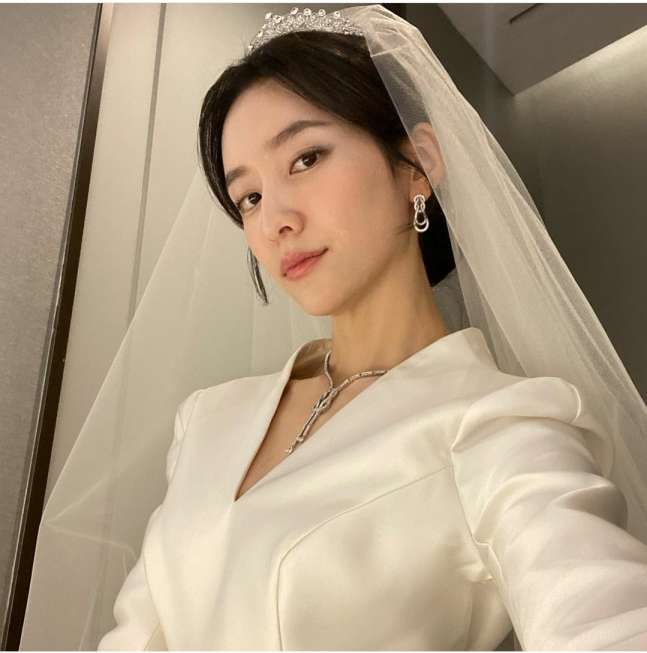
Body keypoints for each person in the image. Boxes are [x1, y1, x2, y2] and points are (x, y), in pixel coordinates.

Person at [20, 5, 647, 651]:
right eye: (248, 197)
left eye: (305, 158)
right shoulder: (207, 420)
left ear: (417, 164)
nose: (274, 220)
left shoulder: (498, 426)